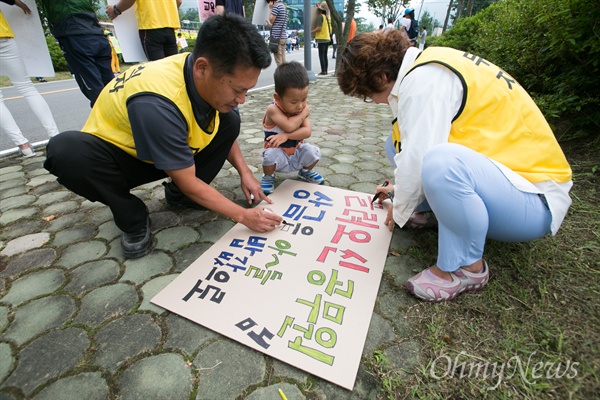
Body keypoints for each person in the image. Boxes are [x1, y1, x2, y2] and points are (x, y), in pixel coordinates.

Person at [337, 30, 573, 302]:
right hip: (508, 181)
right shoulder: (427, 65)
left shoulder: (423, 81)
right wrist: (400, 192)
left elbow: (420, 157)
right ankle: (429, 212)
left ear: (381, 77)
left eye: (368, 94)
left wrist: (400, 206)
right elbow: (412, 147)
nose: (375, 102)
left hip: (533, 202)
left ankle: (467, 267)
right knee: (396, 142)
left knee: (440, 163)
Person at [44, 14, 282, 260]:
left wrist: (245, 172)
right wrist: (243, 216)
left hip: (169, 150)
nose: (242, 99)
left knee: (229, 118)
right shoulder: (157, 102)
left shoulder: (202, 73)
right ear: (202, 68)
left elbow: (217, 127)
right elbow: (189, 179)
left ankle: (179, 196)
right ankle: (133, 217)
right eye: (237, 89)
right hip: (122, 158)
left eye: (246, 90)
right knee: (65, 151)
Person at [0, 0, 59, 157]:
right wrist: (21, 4)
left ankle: (24, 146)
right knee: (27, 87)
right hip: (3, 36)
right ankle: (55, 136)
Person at [260, 61, 324, 194]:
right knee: (270, 155)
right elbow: (289, 126)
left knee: (313, 151)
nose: (300, 106)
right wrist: (304, 114)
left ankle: (305, 171)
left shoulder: (299, 111)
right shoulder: (273, 109)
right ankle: (268, 176)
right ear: (278, 98)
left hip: (295, 153)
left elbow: (307, 131)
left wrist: (287, 136)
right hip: (279, 157)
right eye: (294, 102)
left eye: (304, 99)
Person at [39, 0, 113, 107]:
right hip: (94, 28)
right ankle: (124, 118)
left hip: (72, 30)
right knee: (110, 84)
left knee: (93, 87)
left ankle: (107, 119)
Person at [106, 0, 183, 61]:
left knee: (158, 71)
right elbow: (179, 1)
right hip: (170, 28)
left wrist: (116, 10)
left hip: (150, 25)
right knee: (172, 69)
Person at [311, 1, 331, 76]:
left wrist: (311, 31)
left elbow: (319, 28)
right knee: (325, 55)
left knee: (321, 55)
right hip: (327, 38)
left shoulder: (320, 17)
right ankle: (325, 70)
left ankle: (323, 71)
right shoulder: (327, 17)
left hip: (322, 38)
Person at [267, 0, 287, 66]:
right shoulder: (283, 6)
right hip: (283, 36)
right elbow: (278, 23)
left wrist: (270, 8)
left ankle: (281, 76)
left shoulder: (276, 7)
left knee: (279, 61)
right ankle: (286, 75)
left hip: (276, 37)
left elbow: (271, 20)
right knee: (283, 60)